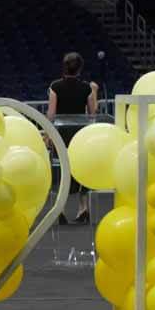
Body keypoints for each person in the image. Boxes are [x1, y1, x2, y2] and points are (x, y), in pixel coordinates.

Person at [48, 51, 99, 224]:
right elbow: (92, 113)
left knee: (63, 171)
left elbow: (52, 114)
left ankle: (61, 210)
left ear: (64, 67)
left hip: (61, 135)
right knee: (81, 169)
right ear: (80, 68)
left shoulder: (55, 86)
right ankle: (83, 208)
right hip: (80, 134)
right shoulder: (86, 88)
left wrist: (48, 134)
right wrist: (95, 92)